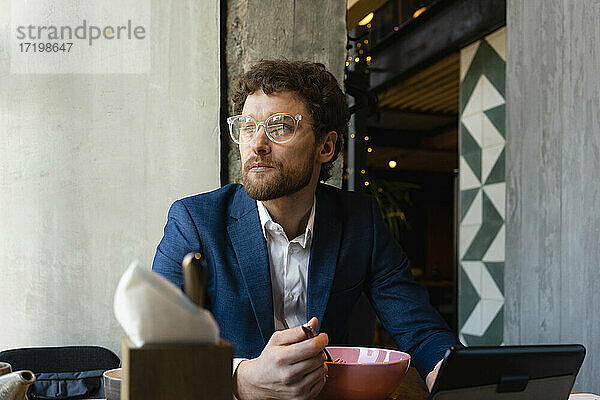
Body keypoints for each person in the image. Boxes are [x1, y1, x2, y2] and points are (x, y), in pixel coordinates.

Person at [152, 59, 461, 399]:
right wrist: (241, 379)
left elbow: (422, 332)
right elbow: (156, 350)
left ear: (325, 147)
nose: (257, 144)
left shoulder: (361, 221)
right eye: (247, 126)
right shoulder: (194, 221)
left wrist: (454, 379)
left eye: (279, 126)